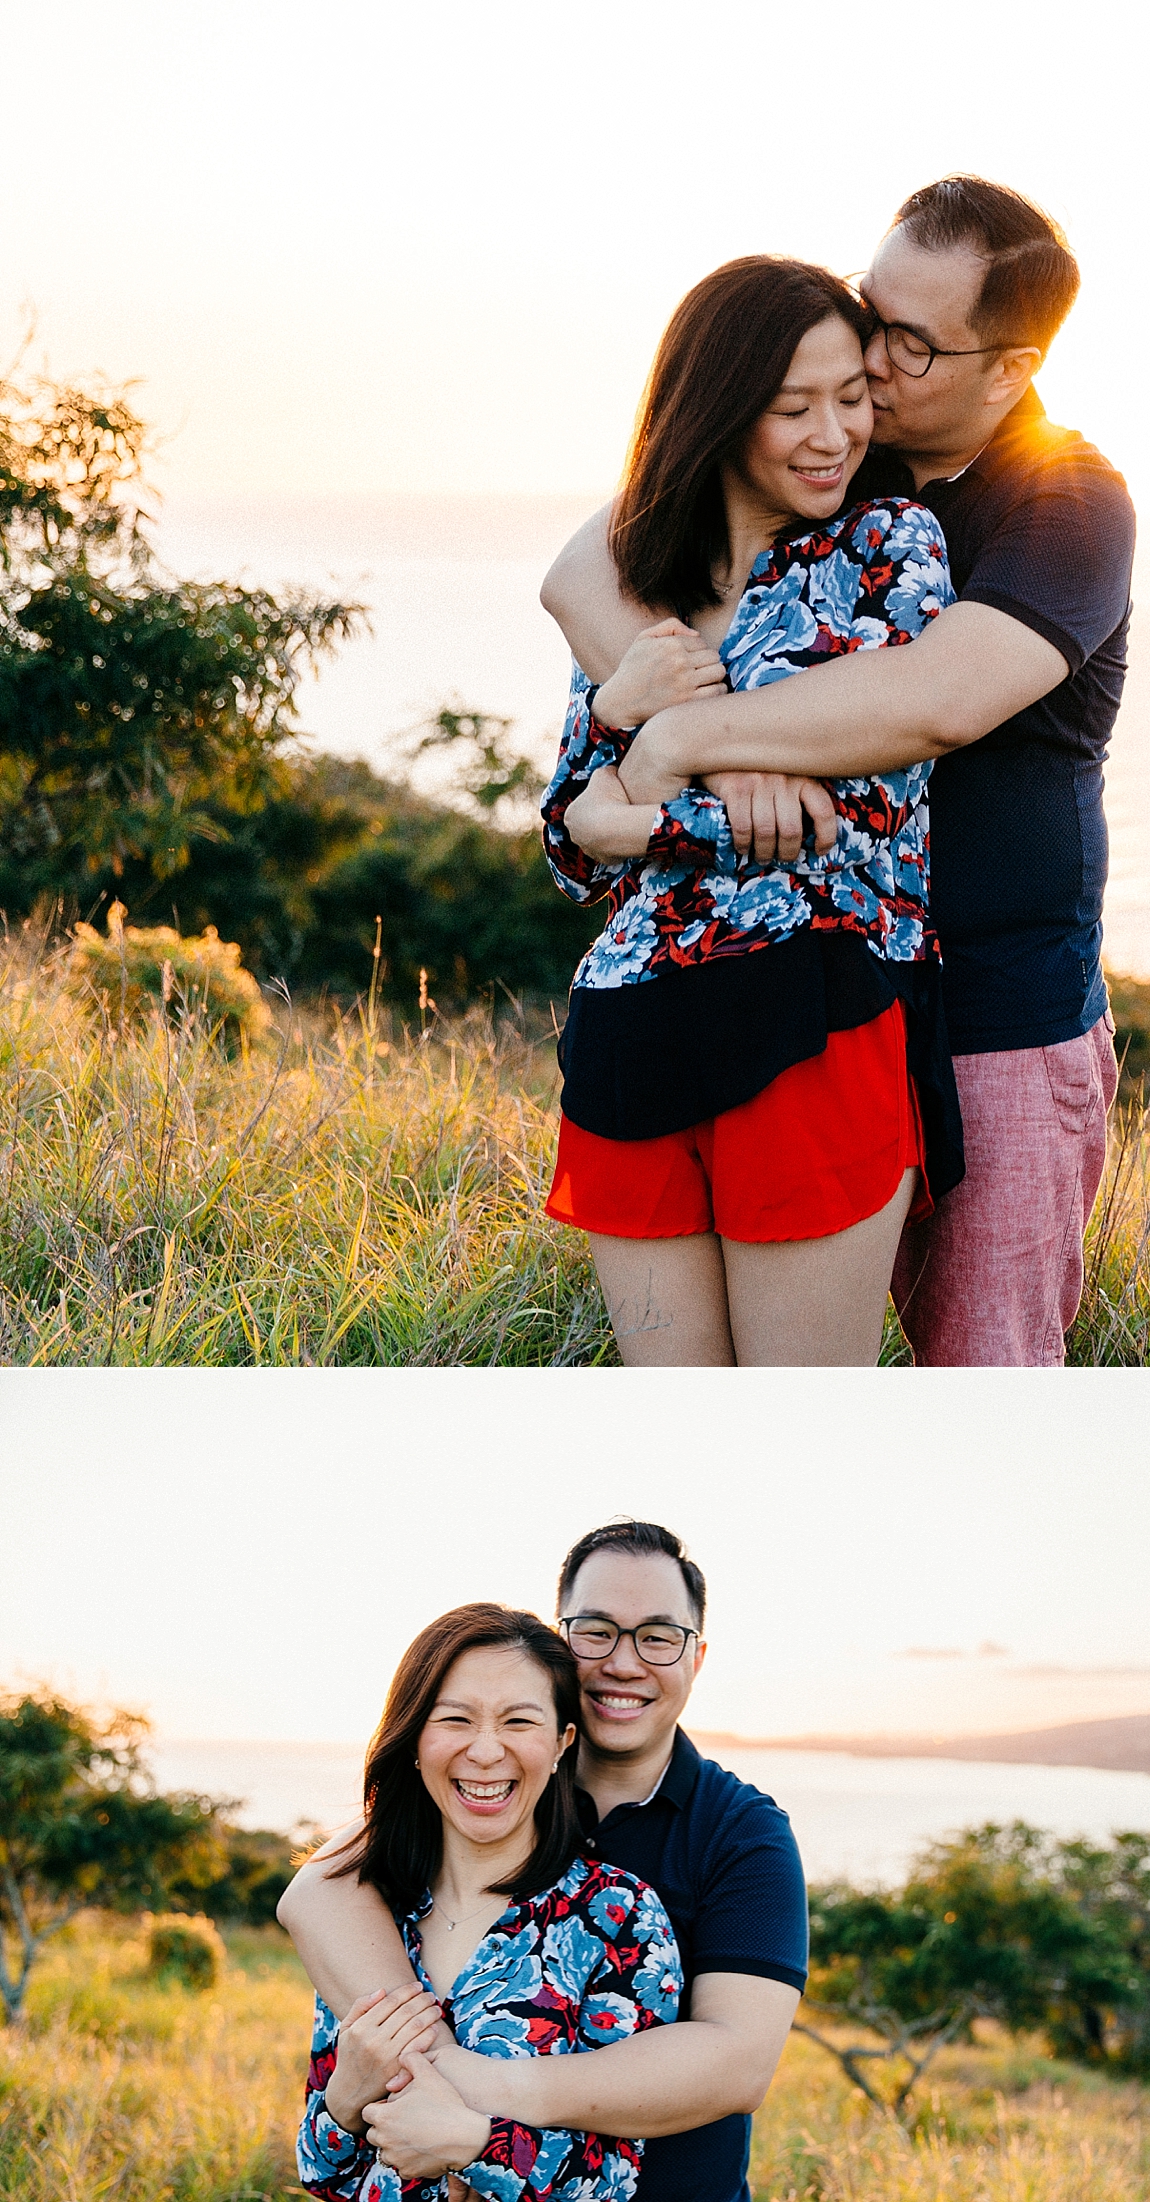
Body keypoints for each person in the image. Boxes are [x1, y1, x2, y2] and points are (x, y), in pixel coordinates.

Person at [541, 177, 1135, 1366]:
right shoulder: (827, 448)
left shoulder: (1065, 498)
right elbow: (581, 572)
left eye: (909, 343)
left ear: (1007, 369)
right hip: (776, 996)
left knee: (982, 1370)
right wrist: (714, 760)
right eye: (874, 309)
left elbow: (937, 700)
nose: (872, 356)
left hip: (998, 1022)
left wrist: (688, 744)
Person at [538, 254, 962, 1367]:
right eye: (792, 408)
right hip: (630, 1026)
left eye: (851, 397)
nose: (834, 433)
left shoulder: (886, 550)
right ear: (720, 411)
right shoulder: (641, 579)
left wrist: (635, 809)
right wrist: (613, 802)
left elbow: (855, 821)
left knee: (801, 1417)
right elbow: (568, 851)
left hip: (811, 1015)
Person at [278, 1522, 807, 2202]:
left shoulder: (738, 1835)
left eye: (658, 1636)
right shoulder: (473, 1806)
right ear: (561, 1642)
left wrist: (468, 2105)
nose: (623, 1661)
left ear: (696, 1657)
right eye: (597, 1630)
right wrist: (359, 2094)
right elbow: (318, 1887)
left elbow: (737, 2065)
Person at [295, 1601, 681, 2202]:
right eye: (455, 1719)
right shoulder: (369, 1909)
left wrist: (476, 2148)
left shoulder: (618, 1916)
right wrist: (344, 2101)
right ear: (415, 1737)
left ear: (561, 1743)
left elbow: (615, 2179)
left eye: (518, 1722)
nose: (484, 1750)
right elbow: (322, 2176)